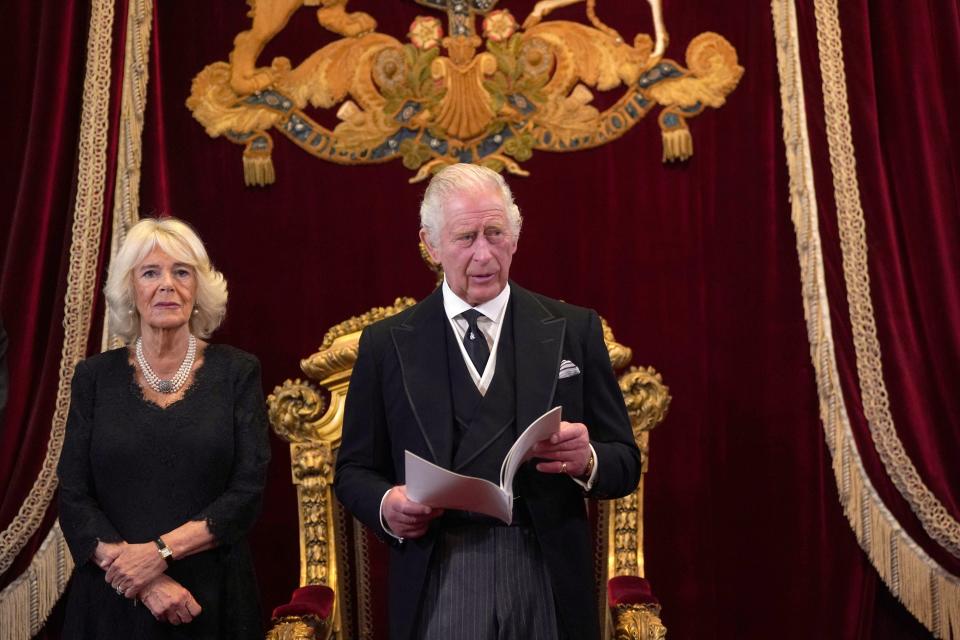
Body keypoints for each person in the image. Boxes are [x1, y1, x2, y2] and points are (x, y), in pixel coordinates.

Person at [334, 164, 641, 640]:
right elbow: (353, 471)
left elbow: (625, 463)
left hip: (546, 570)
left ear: (515, 237)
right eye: (466, 237)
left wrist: (588, 459)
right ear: (431, 244)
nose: (484, 254)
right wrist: (386, 504)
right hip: (441, 569)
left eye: (495, 233)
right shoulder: (386, 345)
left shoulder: (573, 330)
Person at [57, 217, 270, 639]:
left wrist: (159, 552)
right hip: (111, 603)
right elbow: (73, 496)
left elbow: (246, 494)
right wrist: (145, 579)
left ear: (199, 288)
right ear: (130, 291)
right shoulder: (94, 378)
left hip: (212, 601)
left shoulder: (238, 372)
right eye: (150, 272)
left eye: (182, 271)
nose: (167, 285)